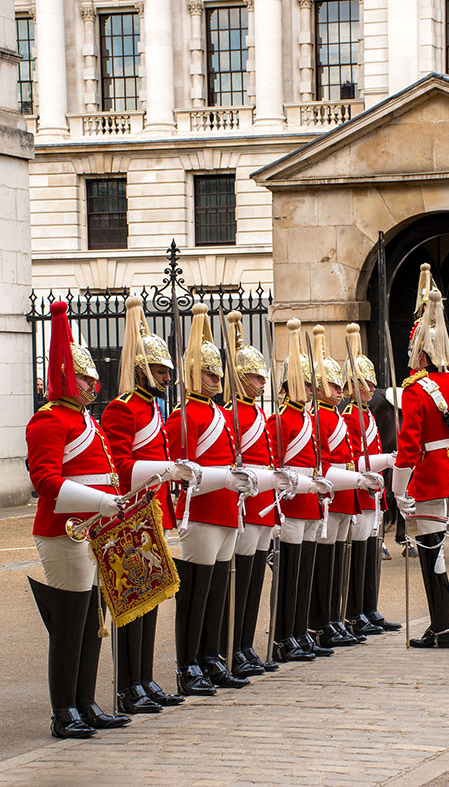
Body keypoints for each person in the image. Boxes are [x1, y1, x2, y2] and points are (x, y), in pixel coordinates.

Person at [26, 301, 130, 739]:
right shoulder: (48, 420)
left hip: (94, 531)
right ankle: (63, 710)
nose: (94, 384)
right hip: (65, 532)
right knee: (71, 624)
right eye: (86, 378)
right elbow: (45, 481)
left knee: (92, 625)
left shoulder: (84, 418)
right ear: (67, 377)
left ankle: (85, 702)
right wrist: (102, 502)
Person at [101, 296, 191, 712]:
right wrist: (168, 469)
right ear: (141, 370)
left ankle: (144, 678)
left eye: (168, 371)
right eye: (160, 371)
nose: (167, 378)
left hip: (154, 512)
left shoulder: (153, 408)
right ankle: (127, 685)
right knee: (132, 598)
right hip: (132, 514)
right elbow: (121, 466)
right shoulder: (123, 409)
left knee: (152, 595)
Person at [165, 304, 258, 693]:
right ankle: (188, 665)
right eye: (209, 372)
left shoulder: (221, 413)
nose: (217, 378)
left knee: (218, 589)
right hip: (201, 510)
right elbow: (179, 471)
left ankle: (211, 657)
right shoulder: (184, 415)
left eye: (219, 372)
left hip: (226, 509)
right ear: (192, 373)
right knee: (196, 591)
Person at [392, 288, 449, 649]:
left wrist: (399, 489)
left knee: (433, 549)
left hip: (432, 476)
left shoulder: (416, 390)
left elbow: (408, 446)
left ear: (423, 353)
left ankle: (442, 628)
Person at [220, 310, 297, 676]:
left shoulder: (257, 416)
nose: (262, 382)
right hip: (246, 506)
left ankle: (246, 645)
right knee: (241, 580)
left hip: (264, 505)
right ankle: (233, 647)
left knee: (254, 581)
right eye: (255, 376)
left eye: (263, 376)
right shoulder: (230, 414)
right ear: (239, 377)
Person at [309, 325, 383, 648]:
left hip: (354, 492)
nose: (339, 391)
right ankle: (331, 619)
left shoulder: (354, 415)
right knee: (330, 562)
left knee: (346, 559)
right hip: (336, 494)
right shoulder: (343, 416)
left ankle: (349, 614)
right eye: (334, 385)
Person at [267, 318, 333, 663]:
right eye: (306, 383)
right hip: (292, 503)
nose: (310, 389)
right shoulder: (280, 419)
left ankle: (300, 630)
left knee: (305, 572)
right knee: (289, 574)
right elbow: (276, 467)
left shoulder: (308, 418)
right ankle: (283, 636)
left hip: (309, 501)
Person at [342, 323, 399, 635]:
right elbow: (353, 462)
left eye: (371, 384)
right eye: (364, 384)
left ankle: (369, 607)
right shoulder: (350, 417)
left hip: (372, 493)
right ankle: (356, 612)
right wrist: (387, 461)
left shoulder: (367, 414)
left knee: (370, 553)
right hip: (359, 491)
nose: (370, 390)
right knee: (359, 554)